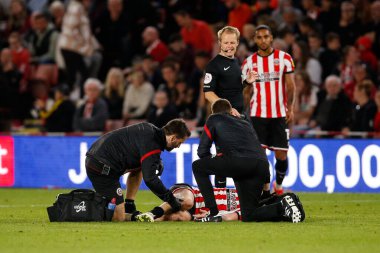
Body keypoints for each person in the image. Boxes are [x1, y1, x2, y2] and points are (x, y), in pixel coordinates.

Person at [191, 99, 304, 223]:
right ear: (231, 111)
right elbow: (258, 151)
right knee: (248, 215)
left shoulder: (213, 119)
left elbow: (202, 152)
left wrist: (216, 161)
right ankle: (284, 204)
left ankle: (213, 212)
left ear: (214, 112)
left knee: (197, 167)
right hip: (261, 165)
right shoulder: (245, 122)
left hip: (238, 163)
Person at [85, 119, 191, 221]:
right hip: (102, 168)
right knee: (118, 217)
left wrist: (156, 161)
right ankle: (82, 208)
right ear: (172, 138)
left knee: (141, 166)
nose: (178, 146)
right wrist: (171, 200)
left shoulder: (150, 129)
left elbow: (142, 151)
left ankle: (129, 205)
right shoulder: (152, 145)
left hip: (97, 158)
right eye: (180, 142)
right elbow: (150, 179)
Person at [241, 24, 296, 196]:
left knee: (281, 154)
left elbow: (291, 86)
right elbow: (246, 91)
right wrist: (243, 113)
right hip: (258, 115)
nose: (263, 40)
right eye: (259, 37)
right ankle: (265, 190)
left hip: (279, 114)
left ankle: (278, 186)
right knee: (260, 156)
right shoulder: (248, 63)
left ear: (271, 38)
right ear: (255, 40)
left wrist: (291, 108)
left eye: (266, 36)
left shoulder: (284, 58)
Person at [203, 25, 244, 188]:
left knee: (239, 157)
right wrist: (227, 108)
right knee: (224, 156)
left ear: (238, 42)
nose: (229, 46)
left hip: (239, 116)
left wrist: (247, 82)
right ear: (220, 43)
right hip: (223, 118)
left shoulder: (236, 61)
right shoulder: (213, 65)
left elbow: (234, 88)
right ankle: (219, 197)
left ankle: (240, 197)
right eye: (226, 43)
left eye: (232, 42)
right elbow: (208, 93)